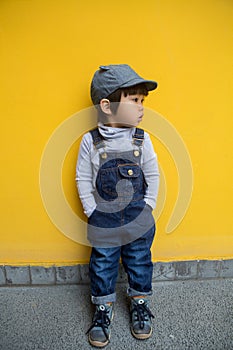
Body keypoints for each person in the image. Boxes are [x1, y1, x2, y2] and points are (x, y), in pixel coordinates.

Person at [76, 64, 160, 348]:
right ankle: (103, 308)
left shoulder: (142, 139)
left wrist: (148, 206)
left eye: (142, 102)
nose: (141, 108)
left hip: (138, 216)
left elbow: (153, 174)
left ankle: (139, 302)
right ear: (107, 105)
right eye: (134, 101)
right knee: (103, 263)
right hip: (104, 219)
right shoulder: (91, 141)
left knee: (139, 260)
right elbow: (83, 177)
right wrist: (91, 210)